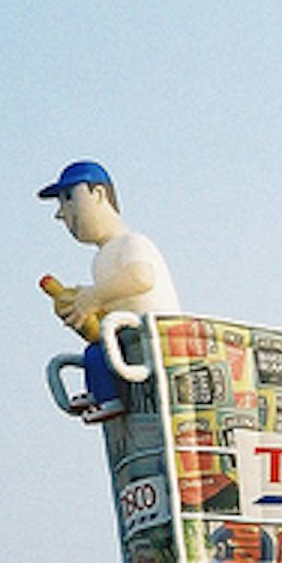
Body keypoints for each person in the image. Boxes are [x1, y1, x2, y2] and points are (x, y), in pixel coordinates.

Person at [37, 160, 181, 422]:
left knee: (101, 350)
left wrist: (95, 296)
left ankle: (110, 398)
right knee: (96, 351)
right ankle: (104, 395)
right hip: (126, 340)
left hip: (155, 339)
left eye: (69, 198)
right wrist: (82, 309)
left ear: (99, 194)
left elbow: (141, 277)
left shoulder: (131, 242)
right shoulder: (102, 257)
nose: (62, 214)